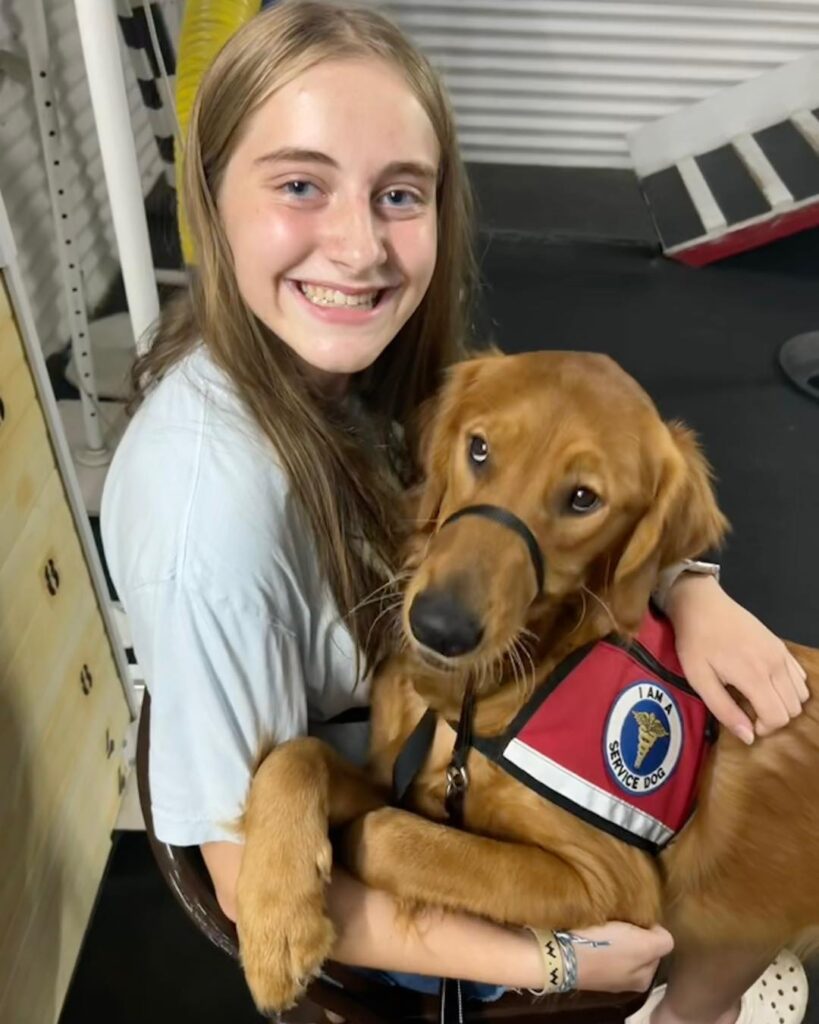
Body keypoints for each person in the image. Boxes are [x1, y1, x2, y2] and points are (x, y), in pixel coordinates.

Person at [101, 1, 810, 1019]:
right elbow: (250, 888)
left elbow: (547, 476)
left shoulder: (349, 365)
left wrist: (689, 586)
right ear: (210, 193)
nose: (357, 248)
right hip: (421, 910)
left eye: (399, 194)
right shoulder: (208, 524)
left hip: (435, 744)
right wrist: (559, 966)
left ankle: (731, 945)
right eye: (300, 183)